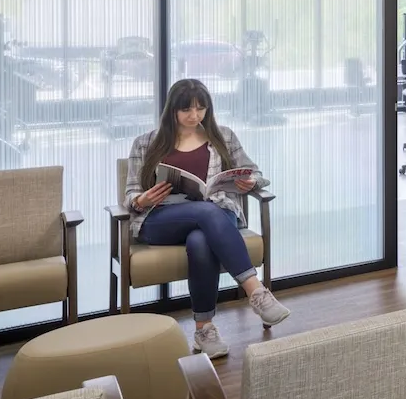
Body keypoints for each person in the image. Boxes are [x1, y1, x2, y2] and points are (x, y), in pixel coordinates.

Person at [124, 79, 290, 358]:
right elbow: (131, 194)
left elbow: (256, 173)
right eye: (187, 109)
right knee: (206, 212)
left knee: (200, 240)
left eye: (201, 108)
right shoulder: (146, 143)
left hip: (214, 212)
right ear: (172, 110)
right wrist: (143, 200)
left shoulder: (222, 136)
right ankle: (257, 292)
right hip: (161, 219)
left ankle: (204, 330)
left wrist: (251, 183)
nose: (194, 115)